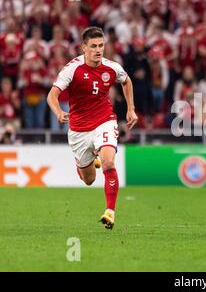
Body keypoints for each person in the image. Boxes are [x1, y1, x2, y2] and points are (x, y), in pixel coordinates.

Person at [47, 27, 138, 230]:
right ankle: (85, 162)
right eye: (94, 46)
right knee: (89, 179)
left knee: (108, 163)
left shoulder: (112, 67)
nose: (98, 50)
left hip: (104, 120)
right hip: (79, 129)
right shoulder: (72, 69)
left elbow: (127, 81)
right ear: (84, 48)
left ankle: (110, 212)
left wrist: (130, 109)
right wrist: (59, 112)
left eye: (101, 45)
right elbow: (51, 96)